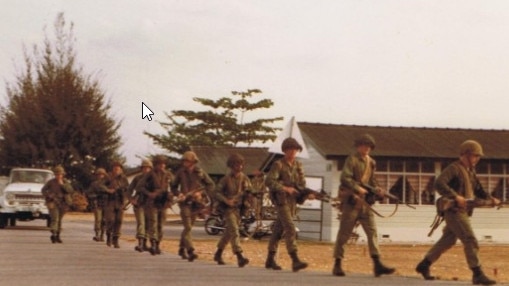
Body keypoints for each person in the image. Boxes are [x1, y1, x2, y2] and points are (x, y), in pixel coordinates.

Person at [415, 140, 500, 285]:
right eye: (475, 156)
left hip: (463, 211)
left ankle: (424, 265)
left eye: (478, 156)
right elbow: (439, 183)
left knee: (448, 240)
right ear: (465, 155)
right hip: (454, 211)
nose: (477, 159)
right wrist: (455, 196)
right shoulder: (454, 168)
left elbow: (478, 189)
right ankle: (477, 273)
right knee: (470, 239)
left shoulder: (470, 171)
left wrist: (490, 198)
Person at [333, 134, 395, 277]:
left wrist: (378, 190)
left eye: (369, 146)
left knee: (372, 232)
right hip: (352, 201)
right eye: (364, 145)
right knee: (344, 233)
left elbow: (371, 181)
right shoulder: (352, 160)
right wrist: (357, 188)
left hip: (365, 203)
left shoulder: (371, 162)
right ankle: (337, 264)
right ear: (358, 146)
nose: (367, 148)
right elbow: (345, 178)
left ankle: (377, 264)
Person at [264, 137, 309, 272]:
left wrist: (307, 194)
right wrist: (285, 188)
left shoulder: (298, 165)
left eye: (295, 149)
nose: (293, 152)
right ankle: (295, 259)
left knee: (278, 230)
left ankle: (270, 259)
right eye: (290, 149)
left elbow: (301, 184)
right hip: (281, 200)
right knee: (290, 228)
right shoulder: (278, 165)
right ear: (284, 150)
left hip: (292, 202)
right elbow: (269, 181)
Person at [171, 151, 215, 262]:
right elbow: (173, 187)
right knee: (188, 227)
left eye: (187, 161)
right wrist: (178, 194)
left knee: (189, 226)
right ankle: (190, 250)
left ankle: (181, 248)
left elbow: (210, 185)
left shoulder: (200, 172)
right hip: (185, 202)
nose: (185, 163)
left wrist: (201, 194)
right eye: (184, 161)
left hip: (197, 203)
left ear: (193, 162)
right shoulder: (180, 173)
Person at [213, 153, 251, 267]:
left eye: (240, 164)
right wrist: (226, 200)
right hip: (228, 209)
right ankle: (239, 256)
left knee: (228, 233)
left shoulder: (244, 178)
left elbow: (249, 190)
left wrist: (249, 194)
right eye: (236, 164)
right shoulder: (225, 179)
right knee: (234, 230)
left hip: (239, 209)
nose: (238, 166)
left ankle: (218, 253)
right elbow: (216, 192)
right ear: (231, 165)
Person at [137, 155, 173, 255]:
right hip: (152, 203)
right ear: (156, 164)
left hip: (164, 202)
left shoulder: (168, 175)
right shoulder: (149, 175)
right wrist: (149, 194)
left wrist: (172, 195)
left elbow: (174, 186)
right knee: (153, 223)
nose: (162, 166)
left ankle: (157, 244)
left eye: (164, 163)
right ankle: (152, 243)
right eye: (160, 164)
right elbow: (140, 187)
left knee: (161, 225)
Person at [41, 165, 75, 243]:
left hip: (63, 203)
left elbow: (70, 190)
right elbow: (43, 190)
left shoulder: (65, 182)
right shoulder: (51, 182)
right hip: (53, 202)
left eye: (60, 174)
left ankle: (58, 235)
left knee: (59, 220)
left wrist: (62, 184)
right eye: (57, 174)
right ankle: (53, 234)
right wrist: (48, 195)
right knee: (55, 219)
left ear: (63, 174)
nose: (59, 175)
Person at [126, 159, 153, 252]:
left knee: (148, 224)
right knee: (141, 223)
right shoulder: (137, 178)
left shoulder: (154, 178)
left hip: (150, 204)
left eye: (148, 168)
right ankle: (140, 243)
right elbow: (129, 190)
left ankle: (145, 243)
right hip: (140, 203)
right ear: (142, 168)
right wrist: (131, 199)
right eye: (144, 168)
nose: (146, 170)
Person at [103, 161, 129, 248]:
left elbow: (127, 189)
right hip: (110, 201)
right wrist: (108, 190)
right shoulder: (107, 177)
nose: (117, 170)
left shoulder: (123, 178)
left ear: (121, 170)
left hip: (120, 202)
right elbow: (99, 185)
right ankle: (109, 236)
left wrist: (124, 195)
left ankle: (116, 239)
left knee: (119, 221)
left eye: (118, 168)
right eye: (115, 168)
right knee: (110, 220)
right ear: (112, 169)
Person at [86, 167, 109, 242]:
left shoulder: (108, 183)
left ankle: (102, 235)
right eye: (99, 175)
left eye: (102, 174)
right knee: (98, 219)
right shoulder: (94, 184)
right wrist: (95, 196)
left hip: (106, 203)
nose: (100, 176)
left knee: (104, 220)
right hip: (97, 203)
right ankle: (97, 234)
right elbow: (89, 193)